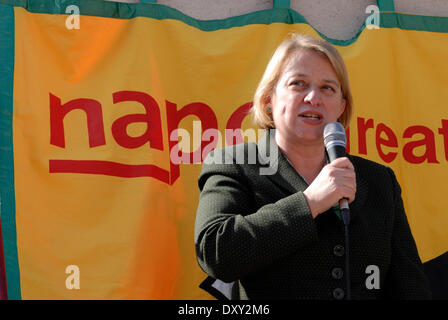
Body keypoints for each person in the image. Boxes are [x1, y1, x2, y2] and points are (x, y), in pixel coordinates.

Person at [194, 33, 431, 300]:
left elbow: (410, 285)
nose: (313, 98)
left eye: (327, 88)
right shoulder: (234, 165)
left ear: (342, 106)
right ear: (268, 100)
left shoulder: (379, 180)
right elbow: (215, 252)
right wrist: (310, 202)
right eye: (298, 84)